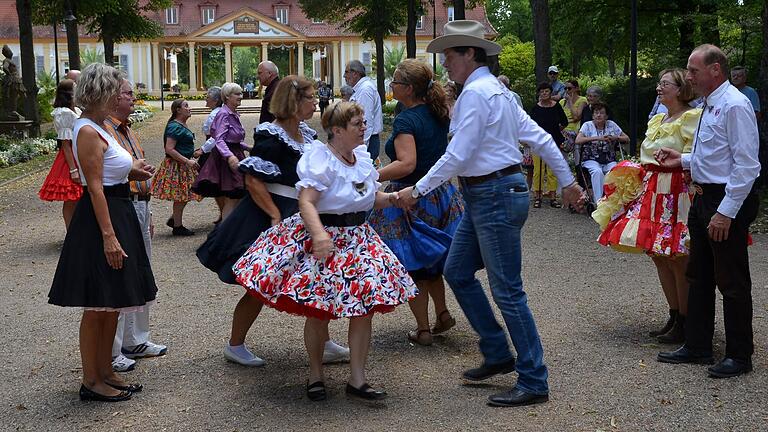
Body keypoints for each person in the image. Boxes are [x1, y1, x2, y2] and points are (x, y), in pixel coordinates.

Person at [395, 20, 585, 407]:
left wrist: (415, 190)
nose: (444, 62)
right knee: (458, 270)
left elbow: (458, 155)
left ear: (469, 54)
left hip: (494, 194)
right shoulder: (494, 91)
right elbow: (542, 139)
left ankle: (533, 379)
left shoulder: (479, 95)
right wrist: (568, 182)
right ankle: (497, 351)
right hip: (493, 192)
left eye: (450, 54)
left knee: (508, 290)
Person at [233, 101, 417, 401]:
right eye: (357, 124)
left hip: (358, 240)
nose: (364, 128)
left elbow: (367, 197)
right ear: (337, 130)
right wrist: (318, 235)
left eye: (363, 122)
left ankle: (357, 380)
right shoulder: (320, 160)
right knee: (319, 310)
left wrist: (394, 198)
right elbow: (306, 201)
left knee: (365, 309)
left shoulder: (361, 158)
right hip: (325, 240)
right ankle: (315, 374)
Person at [197, 76, 350, 367]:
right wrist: (275, 215)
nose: (315, 101)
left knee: (315, 280)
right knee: (260, 285)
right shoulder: (271, 135)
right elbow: (253, 180)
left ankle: (323, 341)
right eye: (310, 97)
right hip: (274, 213)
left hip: (302, 212)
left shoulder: (307, 135)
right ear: (294, 101)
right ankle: (236, 344)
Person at [47, 63, 156, 402]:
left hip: (118, 209)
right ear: (99, 93)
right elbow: (94, 188)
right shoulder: (87, 130)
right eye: (115, 90)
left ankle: (106, 372)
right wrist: (108, 236)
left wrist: (132, 170)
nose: (121, 95)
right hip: (103, 218)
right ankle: (91, 380)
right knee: (97, 305)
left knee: (113, 302)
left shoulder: (102, 126)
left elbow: (109, 172)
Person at [656, 44, 761, 379]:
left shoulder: (734, 105)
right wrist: (682, 159)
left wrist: (726, 212)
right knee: (697, 273)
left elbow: (746, 166)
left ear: (715, 70)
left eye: (693, 70)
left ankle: (739, 355)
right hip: (703, 198)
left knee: (730, 279)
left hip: (724, 201)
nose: (689, 76)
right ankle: (698, 344)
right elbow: (716, 156)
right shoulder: (709, 105)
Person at [593, 68, 701, 344]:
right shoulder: (658, 119)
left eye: (664, 84)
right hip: (653, 188)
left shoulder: (692, 118)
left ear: (679, 89)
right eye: (659, 83)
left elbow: (697, 156)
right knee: (658, 255)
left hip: (677, 190)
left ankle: (687, 321)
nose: (658, 88)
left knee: (678, 257)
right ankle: (675, 315)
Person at [368, 59, 464, 346]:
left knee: (417, 262)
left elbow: (406, 164)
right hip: (442, 194)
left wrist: (370, 175)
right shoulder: (436, 111)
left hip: (413, 197)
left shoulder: (406, 119)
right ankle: (443, 314)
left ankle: (423, 329)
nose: (391, 85)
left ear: (408, 89)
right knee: (433, 258)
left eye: (395, 82)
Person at [104, 79, 168, 372]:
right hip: (122, 205)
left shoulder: (128, 129)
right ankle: (114, 349)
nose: (133, 97)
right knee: (121, 276)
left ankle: (136, 340)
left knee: (141, 272)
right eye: (127, 93)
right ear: (111, 98)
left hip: (140, 205)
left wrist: (148, 211)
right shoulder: (104, 131)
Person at [192, 83, 250, 220]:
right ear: (227, 97)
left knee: (237, 198)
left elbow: (233, 139)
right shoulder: (223, 114)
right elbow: (219, 140)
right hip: (226, 159)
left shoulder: (233, 114)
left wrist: (248, 147)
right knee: (232, 198)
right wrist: (229, 156)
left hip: (235, 155)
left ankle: (231, 231)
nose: (240, 97)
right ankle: (225, 233)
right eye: (237, 94)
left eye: (241, 93)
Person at [152, 99, 202, 236]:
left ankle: (175, 219)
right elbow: (169, 149)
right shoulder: (174, 126)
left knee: (185, 194)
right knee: (181, 195)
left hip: (184, 164)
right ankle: (177, 226)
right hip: (177, 166)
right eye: (186, 106)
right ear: (178, 110)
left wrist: (193, 153)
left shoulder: (180, 125)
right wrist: (187, 161)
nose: (189, 108)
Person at [39, 79, 82, 229]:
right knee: (71, 198)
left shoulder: (75, 110)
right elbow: (65, 144)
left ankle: (79, 230)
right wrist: (73, 169)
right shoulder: (63, 113)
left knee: (81, 196)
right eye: (75, 87)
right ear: (68, 93)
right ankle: (71, 231)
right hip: (70, 159)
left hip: (79, 154)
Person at [574, 103, 629, 203]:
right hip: (591, 159)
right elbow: (578, 140)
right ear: (593, 115)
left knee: (614, 171)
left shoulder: (611, 125)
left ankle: (612, 202)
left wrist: (616, 138)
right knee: (597, 172)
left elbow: (626, 138)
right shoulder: (587, 125)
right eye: (596, 113)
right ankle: (599, 203)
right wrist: (597, 138)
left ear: (606, 116)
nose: (598, 115)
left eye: (602, 113)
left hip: (609, 159)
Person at [530, 82, 568, 208]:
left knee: (552, 170)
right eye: (541, 92)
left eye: (546, 91)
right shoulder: (535, 108)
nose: (544, 93)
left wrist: (557, 130)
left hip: (553, 141)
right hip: (538, 142)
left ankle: (552, 196)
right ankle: (538, 196)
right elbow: (530, 125)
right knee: (538, 170)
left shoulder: (556, 106)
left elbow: (564, 122)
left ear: (550, 93)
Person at [195, 86, 225, 224]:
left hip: (213, 150)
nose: (205, 99)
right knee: (216, 184)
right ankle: (223, 212)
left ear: (215, 100)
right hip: (212, 148)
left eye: (208, 97)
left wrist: (203, 149)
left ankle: (225, 213)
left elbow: (215, 137)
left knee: (215, 183)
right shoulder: (216, 112)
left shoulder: (216, 114)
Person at [345, 60, 384, 161]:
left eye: (346, 72)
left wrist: (361, 147)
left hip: (368, 141)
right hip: (366, 140)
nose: (344, 76)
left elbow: (366, 121)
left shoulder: (365, 90)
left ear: (355, 73)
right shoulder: (362, 89)